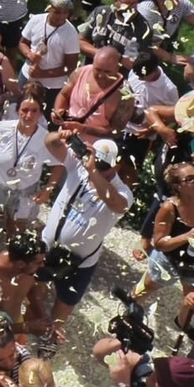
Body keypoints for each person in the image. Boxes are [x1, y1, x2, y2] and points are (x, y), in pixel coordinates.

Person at [39, 134, 132, 332]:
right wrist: (62, 134)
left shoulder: (123, 192)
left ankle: (49, 342)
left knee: (64, 303)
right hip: (48, 244)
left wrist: (92, 170)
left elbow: (117, 204)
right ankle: (35, 324)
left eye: (103, 165)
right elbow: (50, 143)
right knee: (33, 285)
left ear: (116, 166)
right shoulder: (77, 165)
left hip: (79, 261)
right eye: (95, 160)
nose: (97, 166)